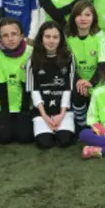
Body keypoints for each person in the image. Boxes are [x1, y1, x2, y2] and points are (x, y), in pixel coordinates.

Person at [25, 21, 77, 149]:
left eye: (55, 37)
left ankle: (65, 123)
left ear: (61, 39)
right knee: (44, 143)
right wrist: (45, 116)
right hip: (42, 111)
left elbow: (68, 88)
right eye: (47, 37)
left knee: (64, 141)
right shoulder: (32, 59)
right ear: (41, 38)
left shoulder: (69, 57)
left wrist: (61, 114)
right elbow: (34, 90)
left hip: (63, 110)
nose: (51, 41)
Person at [65, 0, 105, 129]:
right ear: (73, 17)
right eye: (79, 15)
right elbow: (67, 65)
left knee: (100, 97)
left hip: (97, 81)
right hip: (76, 81)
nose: (83, 18)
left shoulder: (99, 36)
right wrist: (79, 81)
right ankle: (82, 125)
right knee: (78, 93)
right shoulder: (67, 37)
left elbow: (103, 63)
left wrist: (91, 82)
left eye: (87, 15)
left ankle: (95, 123)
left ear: (93, 17)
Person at [0, 18, 34, 145]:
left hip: (24, 105)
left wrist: (24, 111)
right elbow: (0, 83)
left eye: (14, 34)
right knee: (2, 138)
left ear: (22, 36)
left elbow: (28, 83)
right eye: (5, 35)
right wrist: (5, 112)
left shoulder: (30, 52)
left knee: (25, 138)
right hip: (5, 105)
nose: (10, 38)